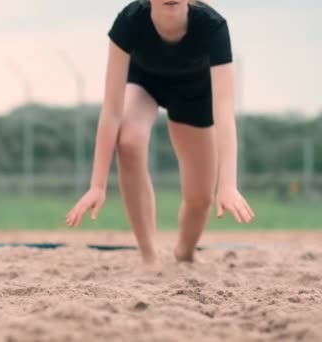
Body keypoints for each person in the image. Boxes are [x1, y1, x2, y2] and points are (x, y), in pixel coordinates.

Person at [65, 0, 255, 270]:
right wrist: (97, 185)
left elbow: (224, 111)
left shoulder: (213, 27)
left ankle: (185, 252)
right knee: (129, 140)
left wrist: (228, 184)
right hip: (145, 83)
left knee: (201, 198)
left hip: (194, 95)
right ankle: (149, 256)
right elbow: (111, 111)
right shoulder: (129, 21)